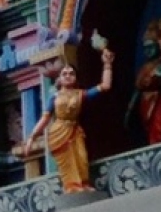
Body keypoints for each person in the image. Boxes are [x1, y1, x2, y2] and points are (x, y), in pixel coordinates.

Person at [21, 45, 115, 192]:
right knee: (67, 162)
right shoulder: (54, 97)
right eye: (64, 73)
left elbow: (105, 86)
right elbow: (45, 119)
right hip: (59, 132)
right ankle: (71, 186)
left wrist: (107, 64)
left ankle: (83, 183)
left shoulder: (80, 94)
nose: (68, 76)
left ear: (76, 78)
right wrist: (31, 138)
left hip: (75, 130)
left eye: (71, 73)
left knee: (81, 158)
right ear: (59, 78)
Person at [125, 18, 161, 144]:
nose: (148, 51)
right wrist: (130, 108)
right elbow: (138, 87)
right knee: (151, 132)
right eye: (145, 48)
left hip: (160, 100)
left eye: (151, 47)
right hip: (146, 103)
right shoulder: (145, 67)